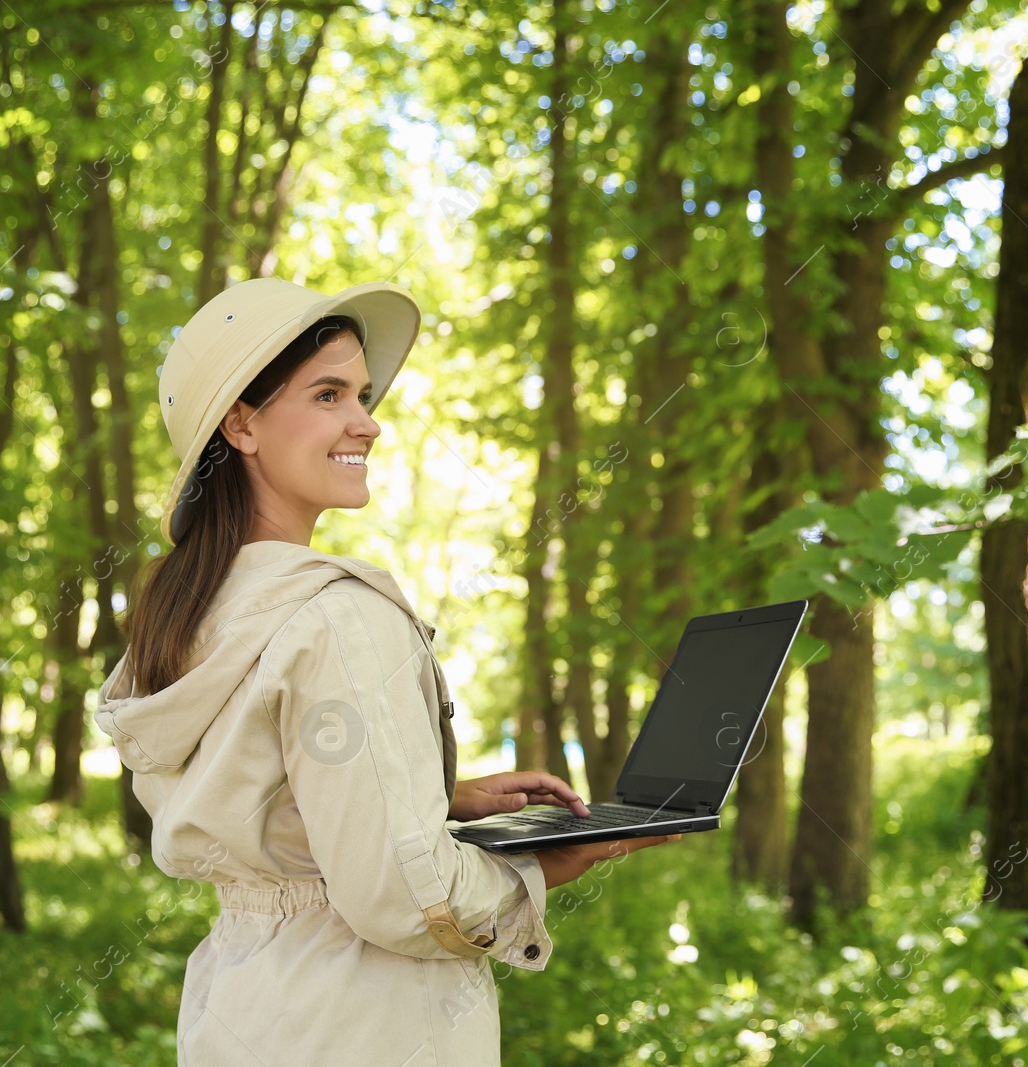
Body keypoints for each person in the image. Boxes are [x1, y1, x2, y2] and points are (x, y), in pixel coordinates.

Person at [95, 277, 681, 1066]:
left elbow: (262, 806)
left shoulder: (189, 611)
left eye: (363, 395)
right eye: (329, 394)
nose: (367, 424)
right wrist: (542, 867)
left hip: (242, 1012)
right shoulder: (338, 616)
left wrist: (426, 797)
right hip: (365, 1026)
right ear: (242, 423)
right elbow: (403, 898)